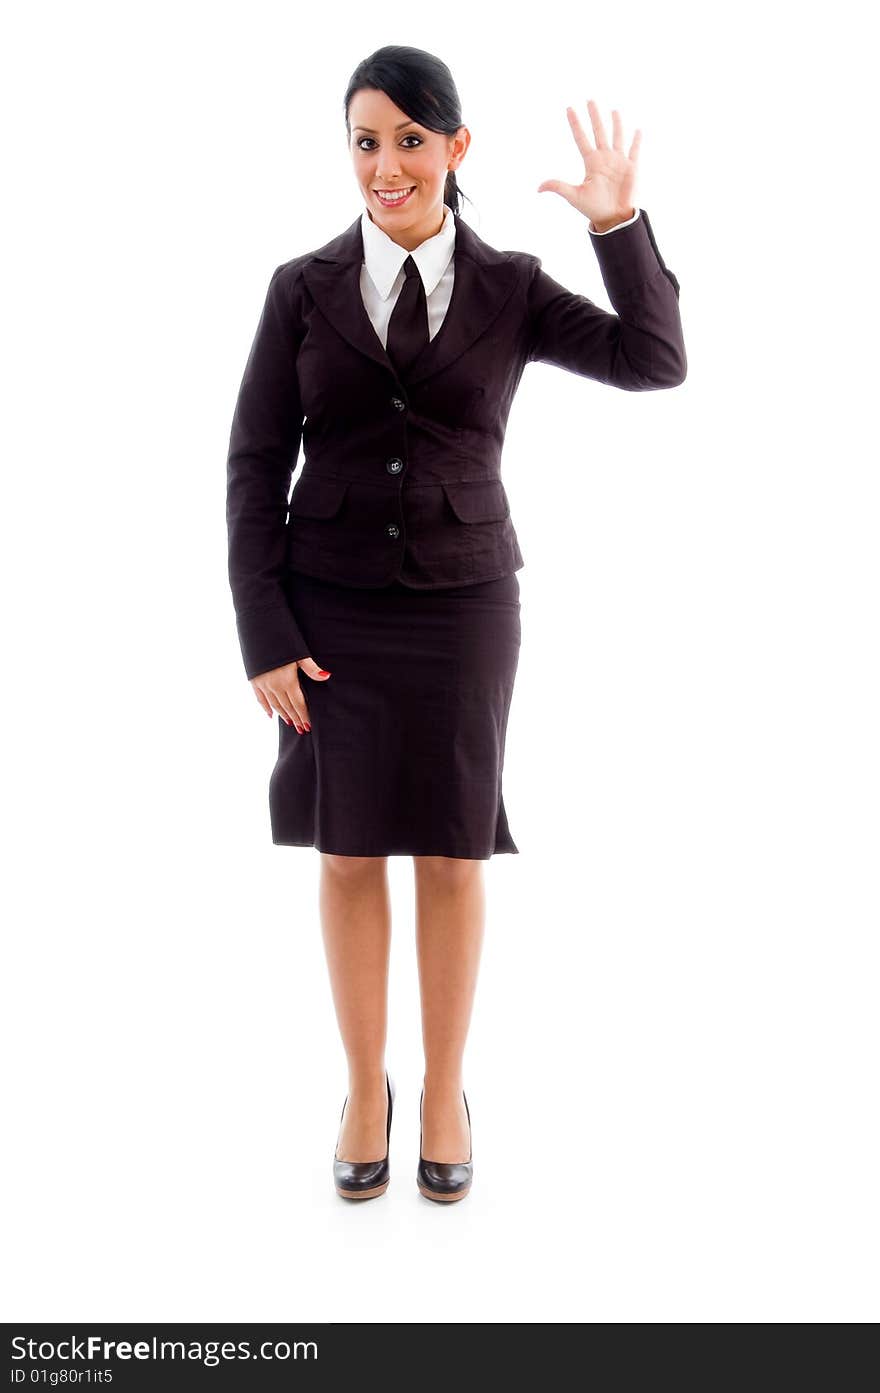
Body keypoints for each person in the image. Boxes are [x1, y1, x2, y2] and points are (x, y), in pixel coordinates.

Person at [225, 45, 686, 1203]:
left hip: (467, 605)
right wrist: (262, 629)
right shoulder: (300, 286)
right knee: (343, 849)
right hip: (325, 607)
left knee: (452, 845)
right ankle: (363, 1088)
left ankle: (443, 1091)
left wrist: (618, 224)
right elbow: (251, 463)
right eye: (364, 142)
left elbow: (654, 360)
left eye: (408, 141)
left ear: (455, 148)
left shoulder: (511, 285)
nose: (385, 166)